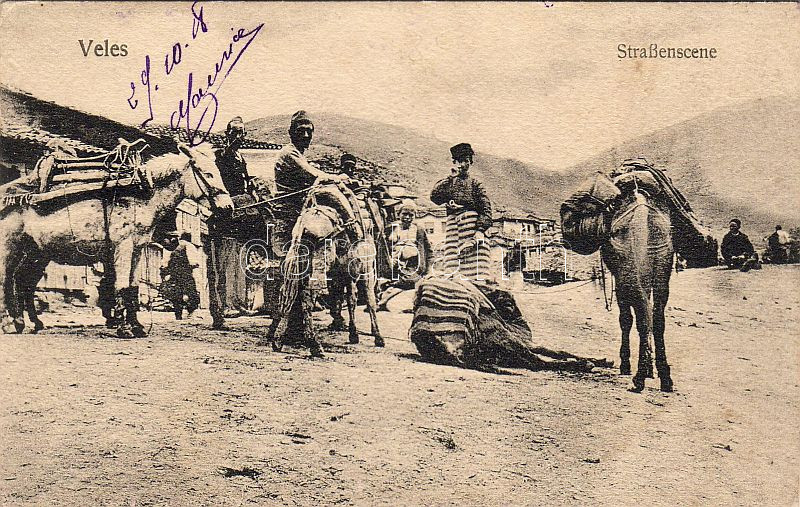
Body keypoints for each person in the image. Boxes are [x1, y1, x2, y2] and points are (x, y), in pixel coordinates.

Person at [271, 111, 352, 256]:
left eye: (309, 131)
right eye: (301, 131)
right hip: (289, 209)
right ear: (291, 133)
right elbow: (313, 174)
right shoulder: (289, 153)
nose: (306, 135)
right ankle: (352, 229)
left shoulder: (298, 153)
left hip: (299, 204)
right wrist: (338, 178)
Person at [430, 143, 493, 283]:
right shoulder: (449, 183)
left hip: (471, 230)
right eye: (459, 161)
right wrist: (450, 178)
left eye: (466, 161)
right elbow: (434, 197)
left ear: (470, 162)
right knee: (453, 269)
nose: (463, 164)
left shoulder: (475, 184)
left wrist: (480, 230)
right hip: (453, 230)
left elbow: (486, 209)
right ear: (454, 162)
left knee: (476, 271)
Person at [377, 199, 432, 311]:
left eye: (411, 215)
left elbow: (429, 250)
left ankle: (388, 291)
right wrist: (388, 260)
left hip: (412, 266)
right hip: (394, 265)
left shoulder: (419, 230)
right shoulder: (390, 228)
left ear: (415, 216)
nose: (407, 217)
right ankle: (387, 290)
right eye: (404, 214)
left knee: (413, 280)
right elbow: (382, 248)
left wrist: (428, 269)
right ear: (399, 214)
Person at [160, 233, 201, 320]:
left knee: (178, 294)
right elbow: (194, 262)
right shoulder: (189, 246)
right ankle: (188, 313)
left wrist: (166, 272)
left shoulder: (173, 247)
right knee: (188, 293)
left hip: (177, 273)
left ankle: (180, 314)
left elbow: (165, 262)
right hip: (184, 273)